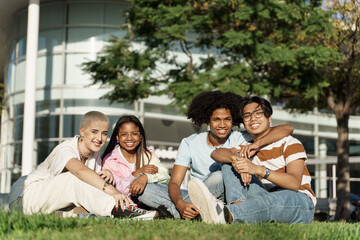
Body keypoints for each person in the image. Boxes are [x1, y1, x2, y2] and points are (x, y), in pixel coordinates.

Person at [137, 91, 294, 219]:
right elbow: (175, 182)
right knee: (146, 190)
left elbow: (287, 129)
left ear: (233, 121)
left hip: (229, 195)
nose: (222, 125)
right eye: (216, 120)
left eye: (227, 119)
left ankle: (175, 212)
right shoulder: (190, 142)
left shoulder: (241, 137)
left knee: (220, 174)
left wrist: (255, 145)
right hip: (196, 194)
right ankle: (189, 211)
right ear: (208, 120)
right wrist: (179, 203)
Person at [188, 96, 316, 224]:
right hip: (262, 198)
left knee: (268, 201)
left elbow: (294, 183)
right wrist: (237, 161)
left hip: (297, 200)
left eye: (258, 113)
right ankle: (238, 209)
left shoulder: (290, 143)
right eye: (247, 116)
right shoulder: (246, 148)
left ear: (269, 117)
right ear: (244, 122)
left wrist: (256, 169)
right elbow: (216, 153)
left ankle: (226, 214)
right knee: (228, 164)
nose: (253, 118)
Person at [8, 111, 156, 219]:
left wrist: (106, 174)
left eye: (104, 133)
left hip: (53, 206)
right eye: (94, 132)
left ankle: (130, 211)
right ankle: (124, 211)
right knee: (73, 178)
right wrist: (113, 191)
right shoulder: (65, 149)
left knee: (85, 212)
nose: (99, 138)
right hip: (25, 198)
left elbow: (91, 187)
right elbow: (79, 171)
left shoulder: (95, 155)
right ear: (82, 131)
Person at [101, 115, 170, 199]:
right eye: (124, 134)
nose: (129, 138)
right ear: (117, 137)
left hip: (151, 202)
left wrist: (145, 177)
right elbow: (119, 190)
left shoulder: (148, 154)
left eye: (134, 134)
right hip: (125, 205)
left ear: (140, 136)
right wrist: (136, 174)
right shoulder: (110, 160)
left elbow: (165, 177)